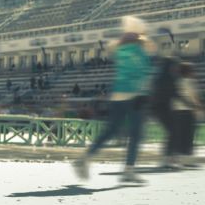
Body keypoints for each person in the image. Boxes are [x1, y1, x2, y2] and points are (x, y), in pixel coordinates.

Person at [73, 16, 154, 184]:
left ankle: (85, 157)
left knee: (111, 130)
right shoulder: (141, 49)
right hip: (135, 94)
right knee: (136, 133)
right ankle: (128, 170)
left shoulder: (119, 48)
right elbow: (143, 72)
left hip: (118, 94)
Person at [169, 62, 202, 168]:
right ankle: (188, 160)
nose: (194, 73)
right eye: (193, 71)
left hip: (177, 111)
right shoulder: (191, 82)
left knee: (180, 135)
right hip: (188, 111)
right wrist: (199, 107)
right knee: (189, 136)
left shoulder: (177, 82)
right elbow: (194, 97)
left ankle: (178, 159)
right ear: (189, 72)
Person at [151, 56, 179, 167]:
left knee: (173, 132)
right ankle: (166, 159)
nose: (176, 68)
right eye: (174, 66)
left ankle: (169, 158)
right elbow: (174, 94)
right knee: (172, 131)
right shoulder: (164, 78)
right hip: (160, 109)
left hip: (164, 108)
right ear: (170, 66)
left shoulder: (168, 78)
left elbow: (175, 94)